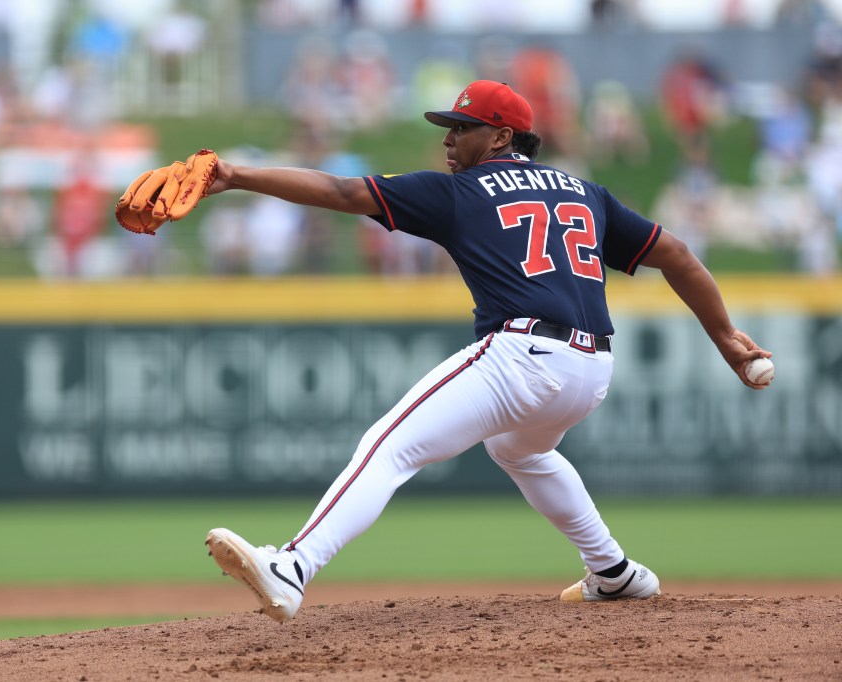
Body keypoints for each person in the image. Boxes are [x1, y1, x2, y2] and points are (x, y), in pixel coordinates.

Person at [203, 80, 773, 622]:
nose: (449, 139)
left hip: (523, 356)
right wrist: (725, 336)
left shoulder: (460, 192)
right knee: (520, 452)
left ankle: (292, 566)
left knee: (388, 445)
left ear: (501, 137)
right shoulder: (584, 190)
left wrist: (236, 175)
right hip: (592, 369)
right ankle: (614, 570)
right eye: (449, 128)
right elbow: (673, 252)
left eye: (463, 127)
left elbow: (343, 192)